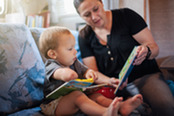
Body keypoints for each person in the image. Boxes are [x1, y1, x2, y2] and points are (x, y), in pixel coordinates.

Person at [73, 0, 174, 116]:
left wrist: (146, 50)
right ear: (80, 16)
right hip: (114, 86)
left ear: (102, 3)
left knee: (164, 104)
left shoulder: (126, 16)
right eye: (87, 15)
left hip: (145, 76)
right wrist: (109, 81)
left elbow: (154, 48)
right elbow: (93, 72)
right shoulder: (84, 36)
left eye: (96, 9)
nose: (94, 17)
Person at [38, 26, 143, 116]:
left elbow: (86, 71)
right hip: (54, 105)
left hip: (73, 101)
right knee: (77, 96)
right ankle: (105, 113)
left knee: (97, 96)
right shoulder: (51, 66)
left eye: (74, 47)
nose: (75, 52)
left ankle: (121, 107)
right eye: (70, 49)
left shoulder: (73, 62)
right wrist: (69, 74)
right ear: (53, 54)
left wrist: (89, 73)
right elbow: (64, 75)